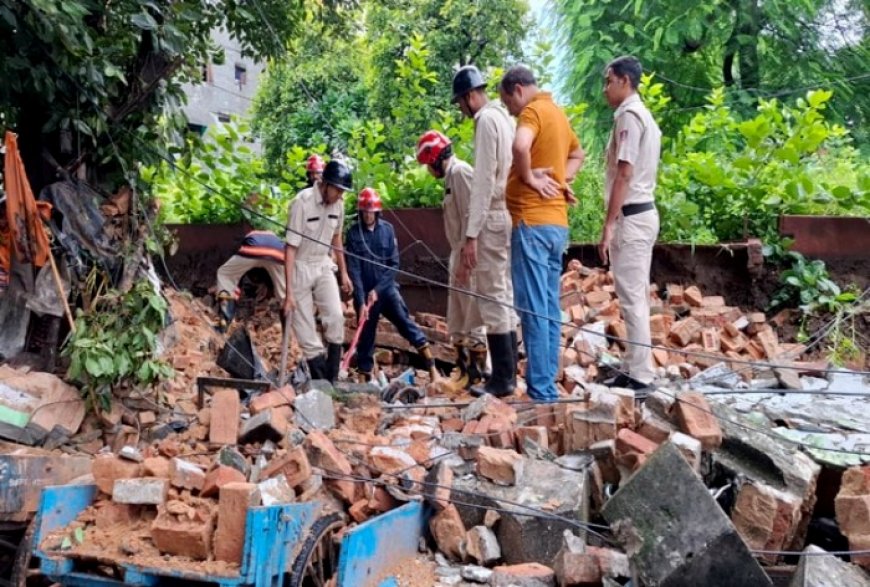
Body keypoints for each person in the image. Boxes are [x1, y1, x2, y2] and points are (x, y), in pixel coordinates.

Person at [499, 65, 585, 402]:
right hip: (556, 225)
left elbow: (520, 147)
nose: (509, 110)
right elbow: (578, 153)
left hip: (531, 224)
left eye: (507, 102)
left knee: (534, 309)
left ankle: (541, 392)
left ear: (518, 89)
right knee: (548, 308)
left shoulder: (532, 111)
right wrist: (563, 181)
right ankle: (545, 385)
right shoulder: (558, 114)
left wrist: (531, 179)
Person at [451, 65, 518, 398]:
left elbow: (482, 183)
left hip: (491, 215)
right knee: (503, 293)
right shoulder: (505, 118)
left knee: (492, 297)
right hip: (506, 211)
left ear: (469, 97)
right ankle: (507, 374)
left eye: (460, 103)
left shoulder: (486, 121)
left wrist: (471, 235)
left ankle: (503, 378)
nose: (462, 111)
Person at [601, 56, 662, 390]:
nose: (605, 89)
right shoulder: (645, 116)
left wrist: (609, 223)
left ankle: (640, 375)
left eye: (608, 81)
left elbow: (624, 172)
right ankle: (634, 364)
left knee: (632, 297)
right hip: (643, 212)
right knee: (635, 293)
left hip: (632, 215)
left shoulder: (628, 115)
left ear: (624, 80)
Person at [344, 187, 438, 382]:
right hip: (364, 295)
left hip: (386, 291)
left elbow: (394, 264)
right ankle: (364, 379)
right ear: (360, 212)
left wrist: (378, 290)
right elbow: (354, 270)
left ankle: (432, 368)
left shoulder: (387, 230)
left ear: (377, 211)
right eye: (365, 212)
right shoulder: (353, 234)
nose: (368, 215)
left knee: (405, 324)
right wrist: (361, 301)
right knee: (366, 336)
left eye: (371, 211)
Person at [416, 130, 486, 389]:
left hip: (467, 251)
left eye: (427, 165)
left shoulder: (460, 173)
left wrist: (469, 249)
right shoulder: (450, 178)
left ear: (434, 159)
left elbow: (473, 214)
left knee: (472, 314)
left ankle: (478, 373)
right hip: (457, 251)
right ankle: (463, 369)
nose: (428, 171)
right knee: (457, 316)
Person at [283, 159, 353, 383]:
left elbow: (337, 240)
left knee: (335, 317)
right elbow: (290, 248)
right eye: (338, 190)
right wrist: (289, 293)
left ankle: (332, 379)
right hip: (300, 265)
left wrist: (344, 273)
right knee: (305, 331)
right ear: (326, 184)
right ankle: (321, 382)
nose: (340, 195)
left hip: (323, 263)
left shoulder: (338, 206)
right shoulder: (302, 203)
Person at [215, 230, 287, 332]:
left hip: (253, 250)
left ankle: (224, 322)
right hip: (278, 255)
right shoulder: (276, 238)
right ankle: (290, 330)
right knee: (285, 295)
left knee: (225, 274)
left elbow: (239, 276)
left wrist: (234, 291)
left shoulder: (250, 236)